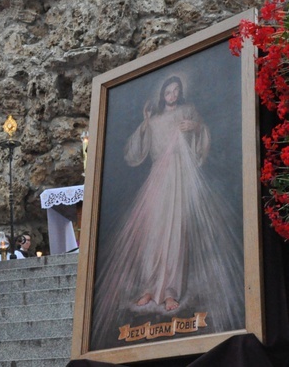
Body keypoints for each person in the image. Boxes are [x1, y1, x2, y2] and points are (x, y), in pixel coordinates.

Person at [90, 75, 244, 350]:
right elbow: (135, 152)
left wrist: (196, 127)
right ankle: (150, 286)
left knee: (175, 232)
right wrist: (146, 121)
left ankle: (170, 290)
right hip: (157, 179)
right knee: (153, 232)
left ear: (180, 93)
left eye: (176, 91)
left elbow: (201, 136)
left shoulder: (188, 112)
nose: (172, 95)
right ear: (161, 94)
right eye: (168, 91)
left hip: (180, 178)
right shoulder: (155, 118)